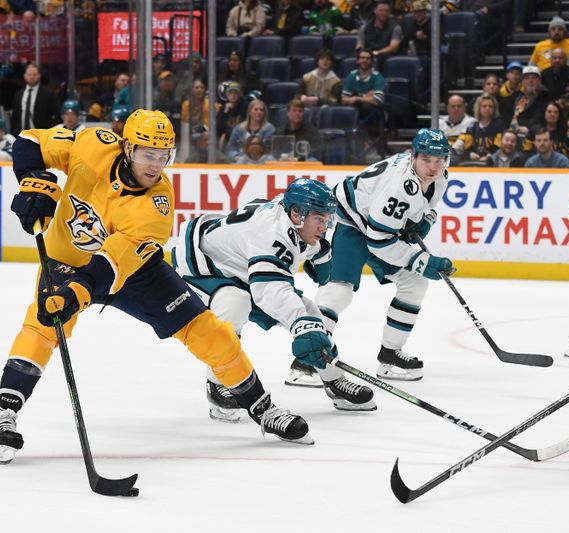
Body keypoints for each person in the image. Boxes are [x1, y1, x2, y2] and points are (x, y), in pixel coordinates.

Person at [0, 110, 313, 467]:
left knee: (207, 330)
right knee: (43, 326)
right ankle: (1, 412)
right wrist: (34, 181)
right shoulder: (92, 144)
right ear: (126, 147)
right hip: (66, 261)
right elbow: (29, 140)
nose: (155, 165)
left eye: (163, 156)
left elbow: (110, 266)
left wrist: (75, 293)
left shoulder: (156, 206)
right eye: (146, 154)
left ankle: (262, 408)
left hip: (130, 270)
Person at [172, 179, 377, 421]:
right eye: (320, 219)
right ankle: (218, 384)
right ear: (296, 213)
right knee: (235, 303)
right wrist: (301, 326)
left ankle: (334, 379)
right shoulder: (271, 234)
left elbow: (313, 244)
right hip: (202, 263)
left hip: (239, 263)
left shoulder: (294, 217)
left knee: (309, 310)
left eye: (327, 219)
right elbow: (269, 290)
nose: (325, 226)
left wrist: (322, 257)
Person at [292, 129, 454, 384]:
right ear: (413, 156)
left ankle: (390, 354)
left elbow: (428, 205)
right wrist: (420, 261)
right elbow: (379, 242)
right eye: (427, 160)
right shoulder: (399, 188)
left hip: (378, 221)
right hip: (353, 221)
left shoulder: (440, 174)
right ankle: (305, 362)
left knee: (414, 282)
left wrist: (423, 221)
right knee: (340, 289)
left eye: (439, 159)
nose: (433, 167)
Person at [341, 47, 387, 158]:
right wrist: (366, 96)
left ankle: (371, 141)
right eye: (362, 58)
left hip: (374, 112)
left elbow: (377, 100)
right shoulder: (352, 76)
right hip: (355, 112)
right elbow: (344, 99)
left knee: (368, 107)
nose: (364, 60)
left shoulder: (377, 77)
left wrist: (357, 98)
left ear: (371, 61)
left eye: (367, 58)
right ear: (357, 60)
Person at [454, 93, 506, 163]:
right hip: (474, 162)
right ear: (479, 108)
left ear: (494, 109)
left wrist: (489, 156)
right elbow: (467, 148)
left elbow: (498, 147)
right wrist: (471, 154)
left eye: (490, 106)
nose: (487, 108)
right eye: (484, 106)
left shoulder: (499, 125)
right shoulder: (472, 126)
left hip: (494, 161)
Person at [11, 62, 59, 136]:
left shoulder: (48, 94)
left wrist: (49, 132)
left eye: (34, 75)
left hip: (42, 136)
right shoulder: (18, 95)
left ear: (39, 76)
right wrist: (14, 132)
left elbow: (57, 114)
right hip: (21, 136)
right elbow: (15, 117)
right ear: (24, 76)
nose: (32, 77)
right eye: (29, 75)